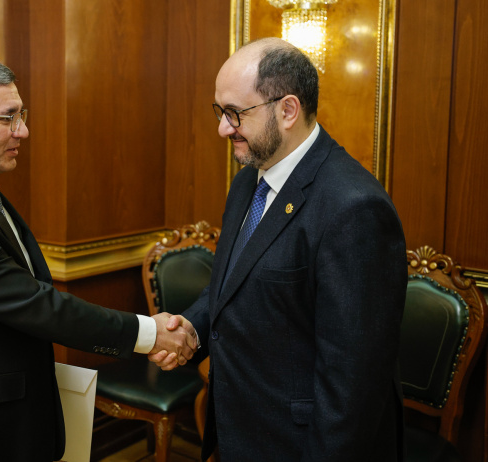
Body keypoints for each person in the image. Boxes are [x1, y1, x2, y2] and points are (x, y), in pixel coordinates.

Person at [0, 57, 197, 462]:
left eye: (22, 115)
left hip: (10, 414)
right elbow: (37, 306)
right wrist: (148, 333)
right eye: (8, 118)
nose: (24, 131)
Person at [150, 38, 407, 461]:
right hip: (243, 432)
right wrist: (193, 329)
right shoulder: (247, 182)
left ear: (287, 110)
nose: (222, 128)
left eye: (235, 113)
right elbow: (232, 284)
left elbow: (353, 387)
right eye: (220, 111)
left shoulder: (354, 208)